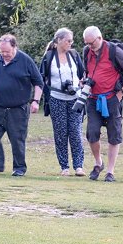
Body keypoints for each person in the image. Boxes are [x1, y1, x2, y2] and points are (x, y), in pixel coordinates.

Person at [0, 34, 44, 176]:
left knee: (17, 138)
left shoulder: (25, 61)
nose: (4, 54)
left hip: (18, 108)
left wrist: (36, 101)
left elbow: (38, 82)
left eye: (7, 52)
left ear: (15, 47)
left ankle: (19, 168)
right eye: (2, 52)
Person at [82, 26, 123, 182]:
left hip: (111, 99)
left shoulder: (114, 52)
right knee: (92, 133)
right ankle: (98, 163)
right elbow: (87, 71)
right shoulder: (87, 52)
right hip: (93, 99)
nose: (89, 46)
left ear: (100, 38)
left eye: (91, 43)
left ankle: (110, 172)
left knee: (114, 135)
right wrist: (84, 82)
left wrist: (121, 94)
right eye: (86, 43)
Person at [40, 28, 86, 176]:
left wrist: (80, 86)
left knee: (76, 132)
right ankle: (64, 167)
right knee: (60, 133)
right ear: (59, 40)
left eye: (71, 41)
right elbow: (42, 78)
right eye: (68, 40)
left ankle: (79, 166)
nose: (70, 43)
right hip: (56, 98)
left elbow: (83, 74)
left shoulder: (74, 55)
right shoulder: (49, 57)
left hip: (75, 99)